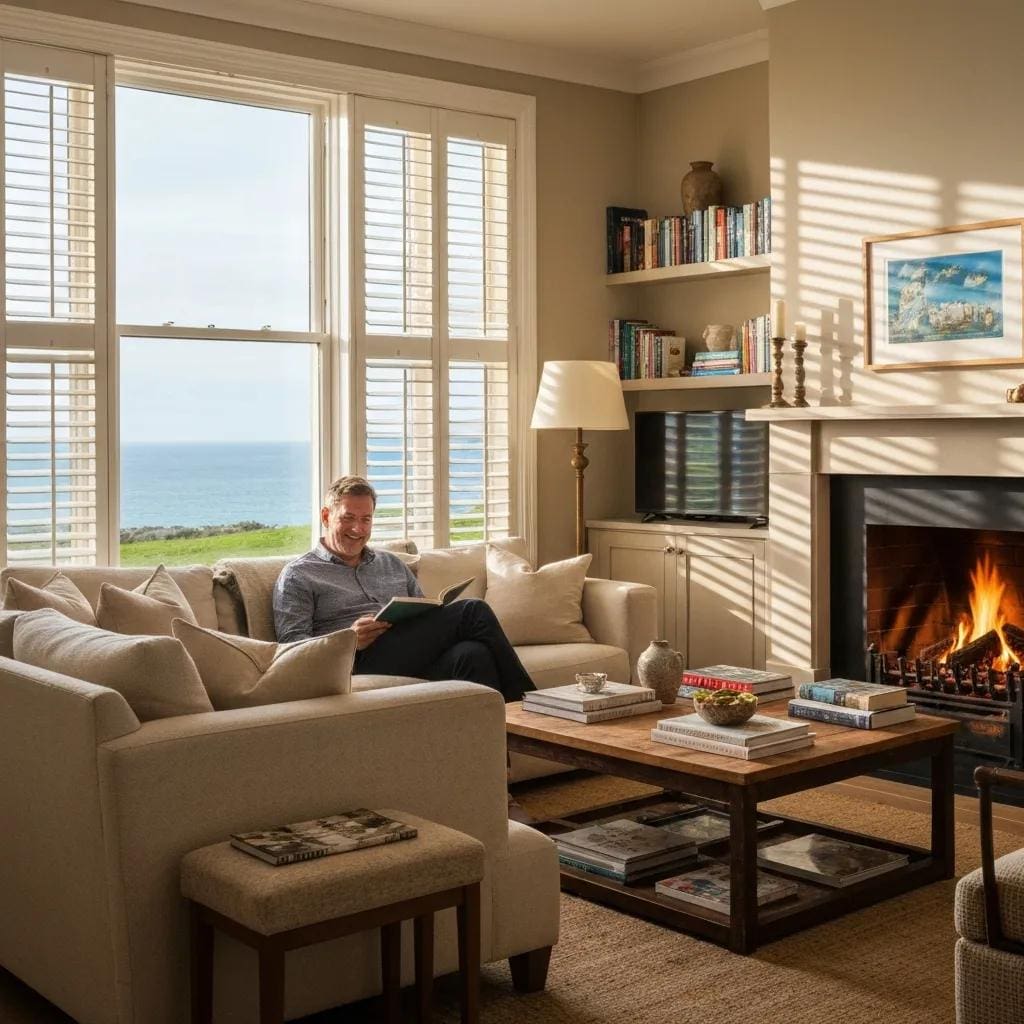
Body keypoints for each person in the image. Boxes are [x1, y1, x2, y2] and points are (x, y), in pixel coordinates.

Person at [272, 474, 536, 704]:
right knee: (472, 610)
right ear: (326, 516)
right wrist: (349, 640)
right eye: (348, 518)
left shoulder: (391, 563)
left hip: (407, 654)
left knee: (473, 655)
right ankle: (535, 709)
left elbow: (424, 619)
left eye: (366, 519)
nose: (358, 529)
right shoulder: (298, 575)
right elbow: (291, 650)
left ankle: (492, 756)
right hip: (357, 663)